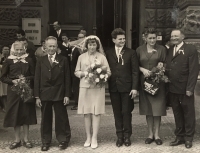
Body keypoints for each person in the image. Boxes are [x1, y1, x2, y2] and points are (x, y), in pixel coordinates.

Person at [34, 36, 71, 151]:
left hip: (59, 92)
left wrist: (67, 94)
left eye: (54, 46)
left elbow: (67, 78)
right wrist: (37, 96)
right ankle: (46, 141)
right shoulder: (41, 60)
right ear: (45, 47)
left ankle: (63, 139)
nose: (52, 48)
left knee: (61, 117)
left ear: (57, 47)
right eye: (49, 46)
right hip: (44, 93)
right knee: (45, 117)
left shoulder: (63, 59)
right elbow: (37, 78)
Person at [75, 35, 111, 149]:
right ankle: (88, 137)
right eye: (90, 45)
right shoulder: (81, 57)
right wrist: (85, 73)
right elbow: (76, 71)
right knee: (86, 113)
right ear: (86, 46)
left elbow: (108, 72)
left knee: (96, 112)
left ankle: (95, 137)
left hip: (97, 88)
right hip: (85, 87)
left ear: (97, 45)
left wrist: (102, 76)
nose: (92, 47)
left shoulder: (102, 57)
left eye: (94, 44)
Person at [165, 29, 199, 149]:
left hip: (185, 89)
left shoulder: (190, 49)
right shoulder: (169, 50)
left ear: (182, 37)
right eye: (172, 36)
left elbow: (194, 70)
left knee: (188, 113)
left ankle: (188, 138)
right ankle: (179, 136)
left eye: (176, 36)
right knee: (177, 113)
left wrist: (190, 88)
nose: (173, 38)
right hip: (173, 88)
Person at [105, 28, 139, 147]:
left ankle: (127, 136)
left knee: (126, 112)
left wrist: (134, 88)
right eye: (120, 39)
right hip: (114, 87)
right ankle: (119, 136)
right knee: (117, 113)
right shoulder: (108, 53)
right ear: (114, 40)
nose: (123, 41)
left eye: (124, 39)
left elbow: (135, 71)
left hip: (127, 88)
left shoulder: (131, 52)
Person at [0, 42, 37, 149]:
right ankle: (17, 140)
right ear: (13, 50)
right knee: (15, 114)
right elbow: (2, 77)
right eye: (17, 50)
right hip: (13, 92)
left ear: (24, 49)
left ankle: (26, 139)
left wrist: (26, 79)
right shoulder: (8, 61)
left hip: (26, 90)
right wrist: (13, 81)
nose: (19, 52)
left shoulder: (29, 60)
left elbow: (34, 75)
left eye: (21, 49)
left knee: (26, 113)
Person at [136, 28, 167, 145]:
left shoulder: (162, 49)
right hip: (145, 83)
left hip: (158, 83)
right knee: (148, 109)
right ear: (145, 38)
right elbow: (135, 65)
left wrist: (161, 67)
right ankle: (150, 134)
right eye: (150, 38)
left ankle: (157, 135)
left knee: (157, 109)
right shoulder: (139, 50)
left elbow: (165, 63)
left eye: (154, 38)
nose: (152, 40)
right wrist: (142, 69)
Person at [70, 33, 85, 110]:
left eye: (82, 37)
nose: (80, 39)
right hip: (75, 71)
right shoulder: (75, 48)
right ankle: (77, 103)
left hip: (84, 71)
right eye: (79, 37)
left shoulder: (86, 48)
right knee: (76, 88)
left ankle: (80, 104)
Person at [0, 45, 10, 112]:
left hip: (8, 77)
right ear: (2, 50)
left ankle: (6, 106)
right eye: (5, 49)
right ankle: (3, 106)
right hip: (1, 76)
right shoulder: (0, 57)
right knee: (2, 92)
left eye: (7, 49)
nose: (6, 50)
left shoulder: (10, 58)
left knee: (6, 92)